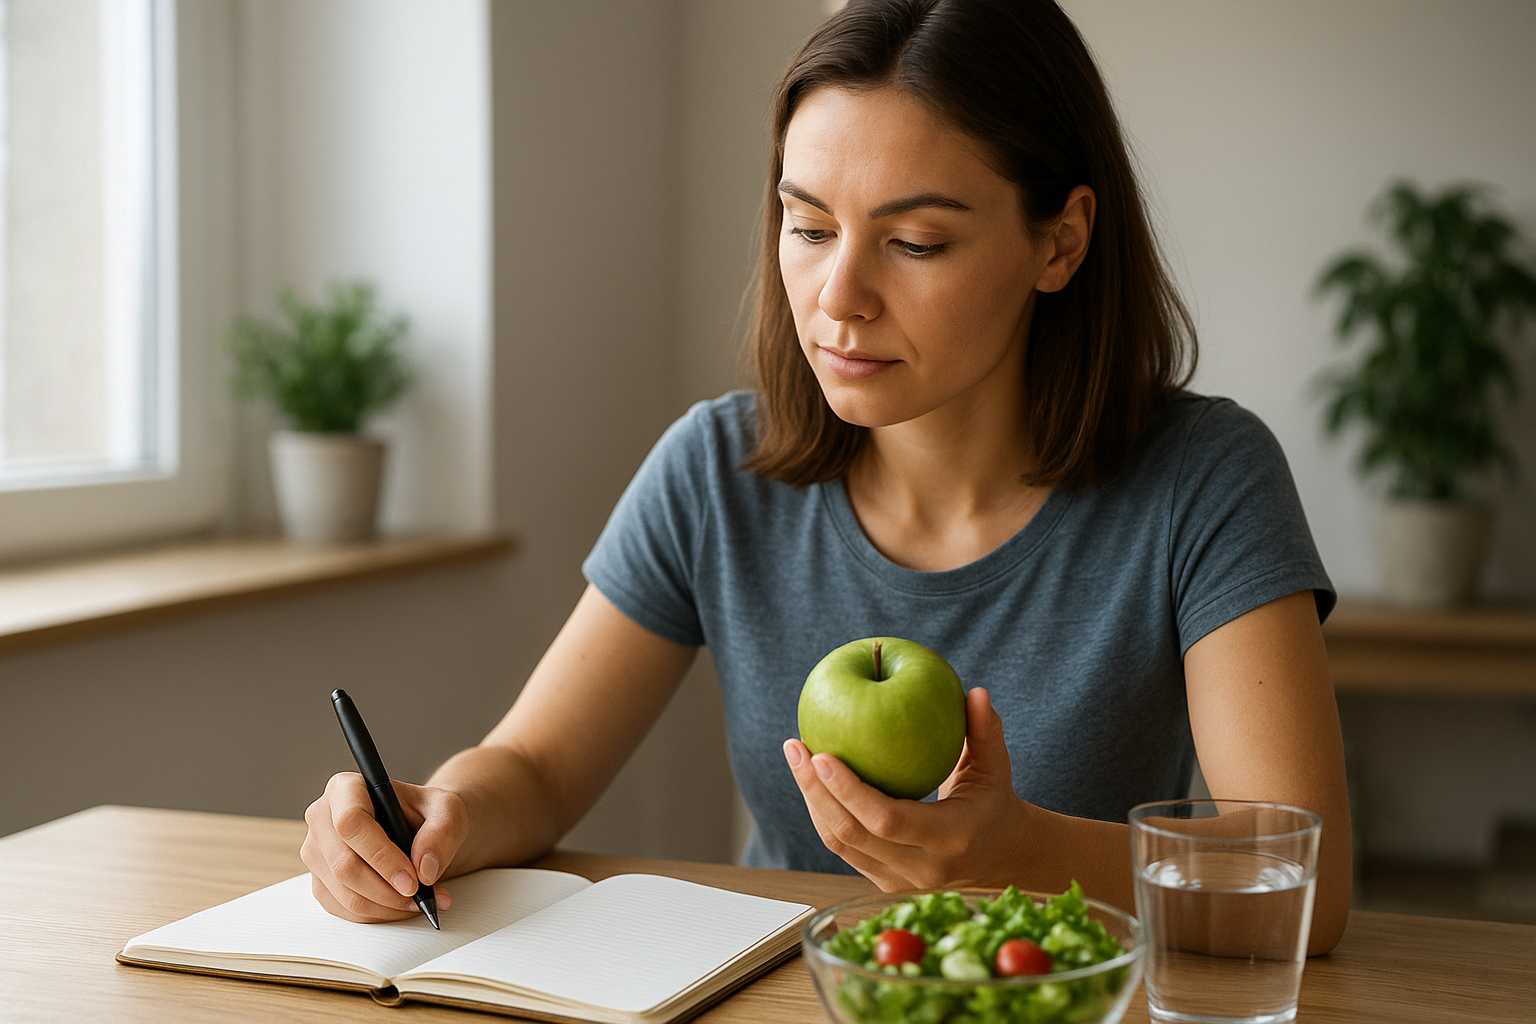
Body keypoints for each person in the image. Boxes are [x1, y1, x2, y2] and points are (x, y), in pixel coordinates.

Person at [301, 0, 1353, 954]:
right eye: (807, 226)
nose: (837, 296)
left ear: (1062, 239)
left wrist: (1018, 852)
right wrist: (436, 817)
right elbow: (532, 769)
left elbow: (1304, 881)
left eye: (917, 241)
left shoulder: (1204, 478)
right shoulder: (716, 470)